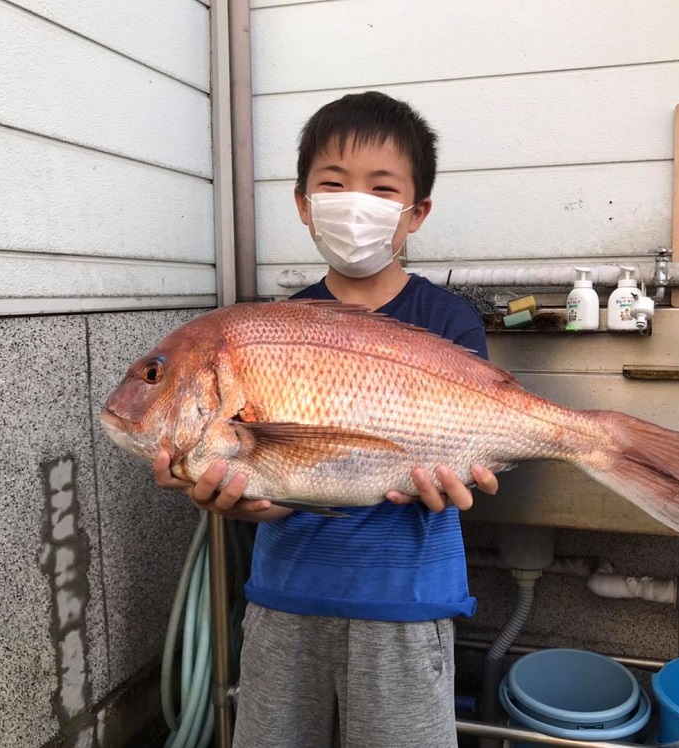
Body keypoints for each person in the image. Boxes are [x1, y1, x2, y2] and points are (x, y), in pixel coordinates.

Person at [152, 90, 499, 748]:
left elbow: (465, 454)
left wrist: (464, 478)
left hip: (408, 605)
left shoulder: (449, 321)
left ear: (416, 210)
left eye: (381, 186)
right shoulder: (270, 328)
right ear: (304, 204)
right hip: (286, 599)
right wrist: (247, 503)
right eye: (334, 184)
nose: (355, 202)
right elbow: (282, 483)